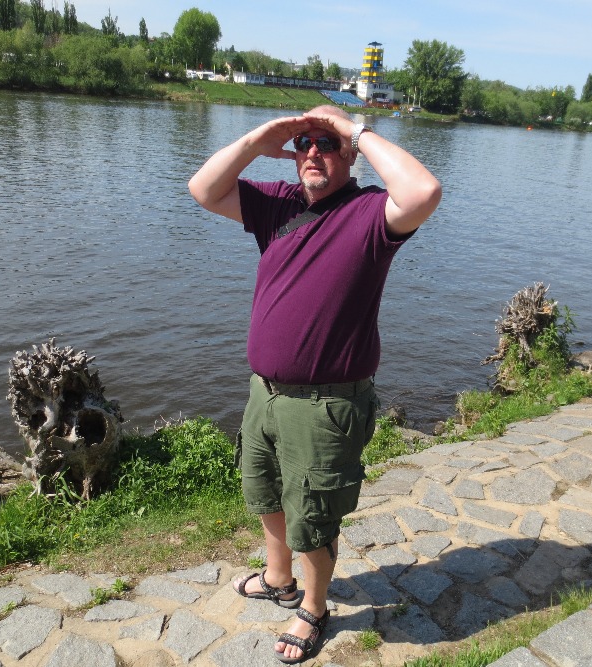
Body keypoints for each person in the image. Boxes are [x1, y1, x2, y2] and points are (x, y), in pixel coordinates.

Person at [188, 105, 441, 663]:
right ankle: (279, 579)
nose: (312, 152)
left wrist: (354, 129)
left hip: (326, 405)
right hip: (265, 392)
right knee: (264, 491)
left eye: (326, 144)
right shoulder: (279, 204)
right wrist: (260, 138)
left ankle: (314, 606)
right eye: (303, 143)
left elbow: (424, 191)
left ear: (349, 153)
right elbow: (203, 188)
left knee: (313, 514)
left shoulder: (371, 213)